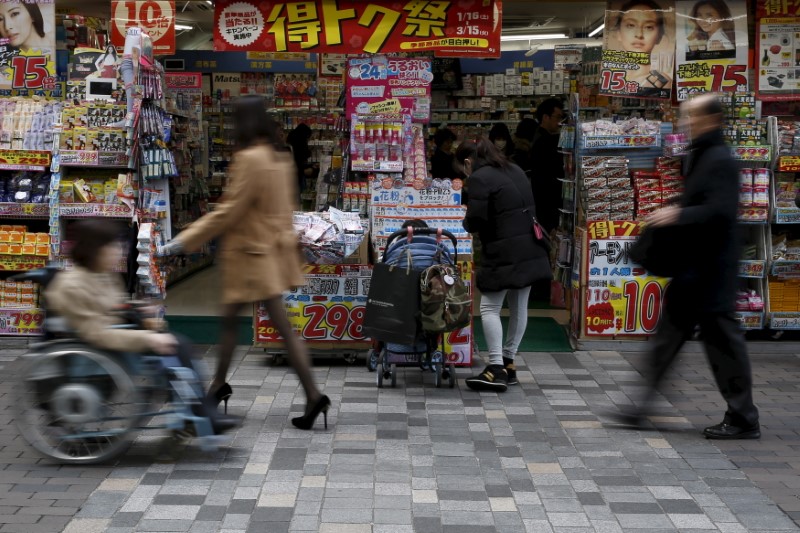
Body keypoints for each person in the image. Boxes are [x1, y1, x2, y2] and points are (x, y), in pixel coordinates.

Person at [161, 95, 331, 431]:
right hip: (270, 252)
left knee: (237, 326)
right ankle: (304, 395)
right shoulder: (278, 157)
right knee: (270, 327)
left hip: (249, 255)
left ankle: (302, 394)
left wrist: (182, 241)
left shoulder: (250, 159)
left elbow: (229, 210)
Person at [614, 94, 759, 440]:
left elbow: (721, 209)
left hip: (712, 272)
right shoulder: (702, 154)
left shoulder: (719, 158)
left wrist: (678, 213)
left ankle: (743, 418)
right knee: (667, 339)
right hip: (693, 269)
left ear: (709, 119)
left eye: (690, 117)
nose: (685, 123)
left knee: (723, 345)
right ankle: (640, 406)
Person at [45, 220, 239, 435]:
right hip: (104, 350)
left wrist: (138, 309)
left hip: (117, 339)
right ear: (94, 249)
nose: (118, 251)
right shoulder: (72, 286)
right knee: (177, 350)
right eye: (111, 246)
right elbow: (96, 333)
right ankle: (199, 415)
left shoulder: (101, 275)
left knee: (179, 348)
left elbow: (114, 309)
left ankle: (196, 413)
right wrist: (148, 339)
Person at [457, 138, 552, 392]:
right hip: (531, 246)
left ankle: (495, 368)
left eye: (463, 168)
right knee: (520, 306)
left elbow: (475, 219)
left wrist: (463, 223)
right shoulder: (514, 169)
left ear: (468, 162)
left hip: (504, 250)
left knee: (489, 306)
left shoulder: (479, 177)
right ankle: (509, 363)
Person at [613, 0, 674, 96]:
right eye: (630, 25)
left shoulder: (662, 82)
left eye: (648, 27)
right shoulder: (611, 78)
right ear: (618, 33)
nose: (639, 34)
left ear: (659, 36)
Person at [529, 98, 565, 235]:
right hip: (547, 203)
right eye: (558, 117)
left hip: (544, 202)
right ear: (545, 117)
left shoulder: (540, 137)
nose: (560, 121)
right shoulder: (543, 141)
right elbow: (546, 178)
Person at [286, 123, 318, 195]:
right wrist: (305, 169)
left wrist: (310, 166)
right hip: (296, 176)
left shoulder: (292, 141)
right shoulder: (299, 144)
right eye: (307, 139)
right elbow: (298, 161)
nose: (307, 141)